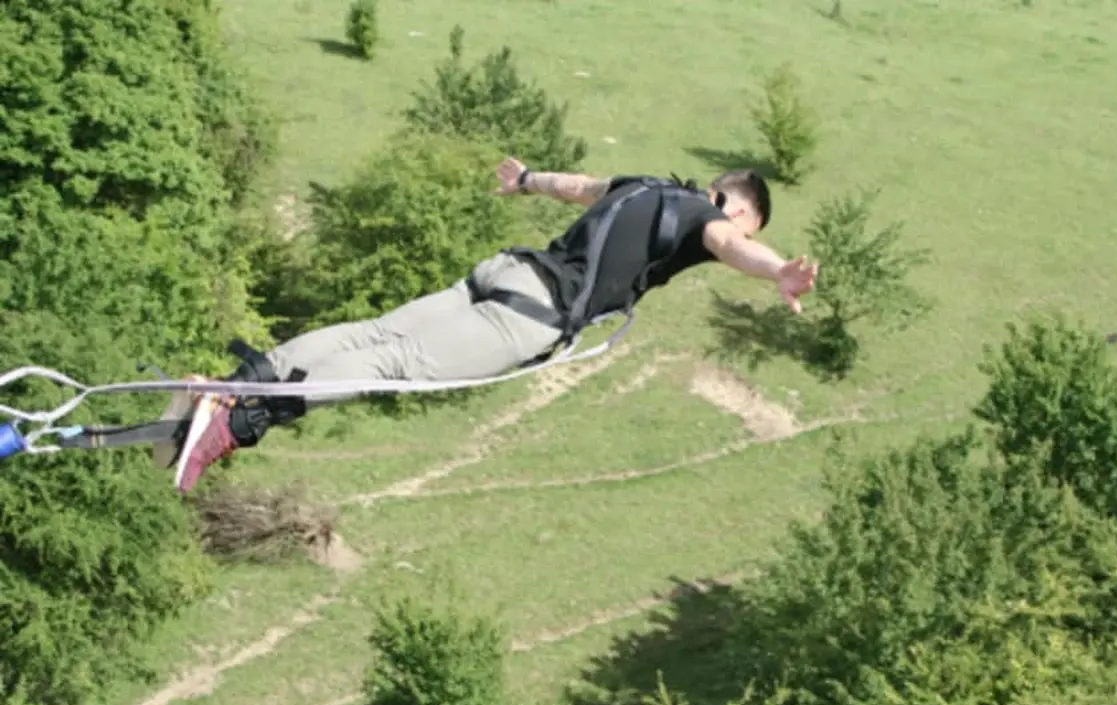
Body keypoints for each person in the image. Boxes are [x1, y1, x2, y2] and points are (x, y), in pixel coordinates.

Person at [172, 157, 820, 493]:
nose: (732, 234)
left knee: (373, 334)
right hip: (528, 314)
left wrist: (528, 179)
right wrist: (775, 272)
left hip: (503, 271)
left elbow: (577, 186)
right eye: (743, 220)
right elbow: (734, 248)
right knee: (390, 365)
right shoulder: (707, 221)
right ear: (730, 203)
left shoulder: (643, 185)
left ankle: (231, 385)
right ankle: (232, 423)